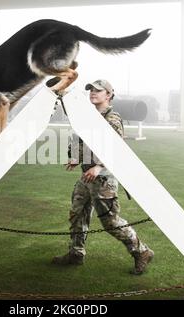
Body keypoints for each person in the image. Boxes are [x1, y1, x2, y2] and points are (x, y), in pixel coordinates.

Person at [52, 79, 154, 275]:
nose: (93, 93)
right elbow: (80, 138)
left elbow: (117, 149)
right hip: (86, 175)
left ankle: (141, 251)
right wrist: (75, 157)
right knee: (77, 213)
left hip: (103, 179)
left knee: (111, 222)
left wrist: (99, 167)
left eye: (98, 90)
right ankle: (76, 253)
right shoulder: (88, 116)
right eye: (91, 89)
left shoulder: (112, 118)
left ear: (108, 95)